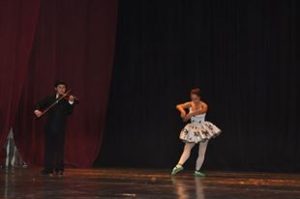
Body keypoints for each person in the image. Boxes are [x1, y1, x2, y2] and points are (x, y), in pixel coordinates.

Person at [171, 88, 221, 177]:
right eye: (192, 98)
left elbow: (201, 112)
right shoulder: (190, 103)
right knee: (187, 147)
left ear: (199, 97)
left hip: (202, 129)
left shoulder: (204, 105)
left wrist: (189, 114)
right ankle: (179, 165)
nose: (194, 100)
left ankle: (197, 170)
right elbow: (178, 105)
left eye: (195, 98)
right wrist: (182, 111)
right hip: (193, 128)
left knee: (202, 150)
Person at [34, 81, 76, 176]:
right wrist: (37, 110)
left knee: (59, 149)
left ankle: (59, 169)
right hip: (49, 128)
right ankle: (48, 169)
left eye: (64, 88)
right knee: (49, 149)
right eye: (60, 87)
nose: (62, 89)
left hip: (61, 128)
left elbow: (69, 112)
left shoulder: (66, 100)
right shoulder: (50, 98)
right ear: (55, 88)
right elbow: (39, 104)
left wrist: (71, 102)